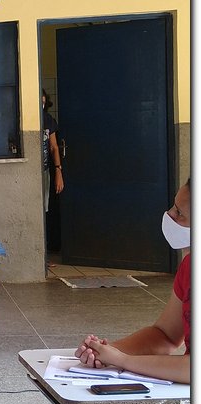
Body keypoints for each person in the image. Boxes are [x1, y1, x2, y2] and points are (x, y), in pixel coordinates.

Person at [74, 177, 190, 385]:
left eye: (180, 214)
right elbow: (165, 335)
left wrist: (124, 360)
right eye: (174, 206)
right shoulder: (189, 267)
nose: (169, 215)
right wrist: (105, 351)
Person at [42, 89, 64, 211]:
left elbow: (53, 146)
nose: (41, 106)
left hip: (44, 171)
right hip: (31, 171)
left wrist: (58, 170)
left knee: (44, 207)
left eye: (43, 103)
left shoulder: (48, 120)